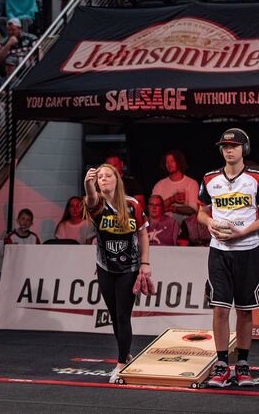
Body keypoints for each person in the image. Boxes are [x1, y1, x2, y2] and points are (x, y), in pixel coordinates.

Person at [197, 128, 259, 387]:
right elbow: (201, 212)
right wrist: (209, 222)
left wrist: (243, 231)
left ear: (245, 149)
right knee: (220, 308)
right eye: (224, 146)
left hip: (249, 250)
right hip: (219, 251)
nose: (228, 150)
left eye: (234, 146)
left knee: (245, 310)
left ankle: (242, 363)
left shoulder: (256, 178)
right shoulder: (209, 179)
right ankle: (221, 364)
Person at [83, 163, 151, 383]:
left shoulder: (132, 204)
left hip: (129, 268)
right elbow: (91, 199)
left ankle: (122, 361)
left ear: (116, 179)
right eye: (99, 176)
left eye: (107, 175)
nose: (103, 179)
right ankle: (126, 353)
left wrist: (145, 263)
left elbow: (143, 235)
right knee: (113, 315)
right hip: (105, 267)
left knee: (123, 315)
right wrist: (87, 184)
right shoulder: (96, 204)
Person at [152, 149, 199, 225]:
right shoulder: (159, 185)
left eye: (172, 161)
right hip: (163, 228)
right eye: (167, 162)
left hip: (185, 230)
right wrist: (172, 199)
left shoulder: (191, 183)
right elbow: (152, 208)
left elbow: (193, 210)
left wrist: (172, 208)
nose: (169, 164)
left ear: (179, 162)